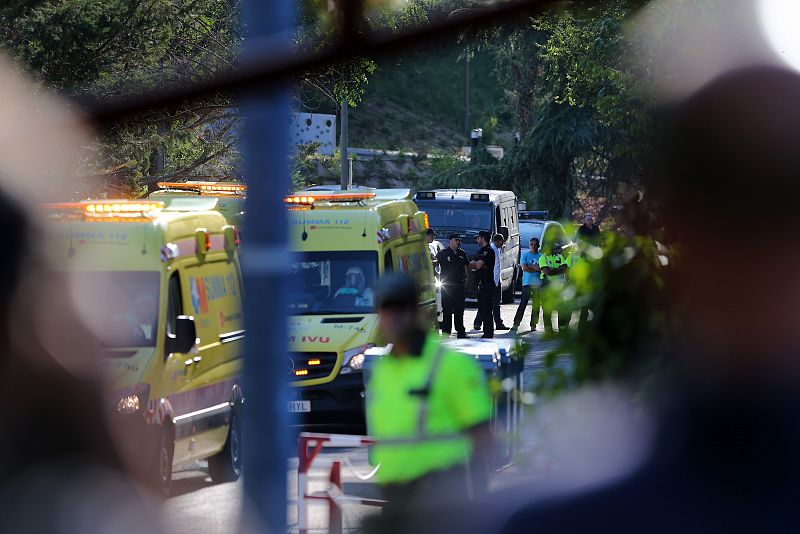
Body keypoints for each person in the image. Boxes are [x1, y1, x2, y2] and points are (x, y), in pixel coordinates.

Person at [365, 273, 493, 533]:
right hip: (395, 497)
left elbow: (482, 437)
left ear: (416, 311)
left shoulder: (452, 367)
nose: (394, 316)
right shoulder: (384, 372)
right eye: (387, 308)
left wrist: (480, 502)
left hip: (441, 497)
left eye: (401, 307)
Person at [474, 234, 510, 331]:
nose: (502, 244)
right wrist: (494, 281)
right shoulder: (491, 249)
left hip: (496, 280)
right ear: (498, 241)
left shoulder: (496, 249)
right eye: (501, 242)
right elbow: (492, 267)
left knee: (495, 303)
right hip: (492, 280)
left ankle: (497, 322)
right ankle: (480, 322)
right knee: (488, 303)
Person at [436, 233, 469, 338]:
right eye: (456, 240)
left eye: (459, 240)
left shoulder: (462, 253)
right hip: (447, 287)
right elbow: (435, 264)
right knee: (447, 310)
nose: (458, 242)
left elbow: (466, 267)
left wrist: (467, 279)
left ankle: (461, 332)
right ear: (450, 241)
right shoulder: (443, 253)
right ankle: (446, 332)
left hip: (459, 285)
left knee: (459, 310)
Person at [469, 230, 496, 338]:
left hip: (487, 284)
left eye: (478, 238)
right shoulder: (481, 251)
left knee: (487, 309)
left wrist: (475, 264)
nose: (477, 240)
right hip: (481, 284)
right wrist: (475, 264)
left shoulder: (488, 251)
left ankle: (488, 333)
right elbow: (471, 264)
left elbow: (478, 265)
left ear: (483, 238)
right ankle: (486, 332)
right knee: (482, 309)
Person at [512, 237, 542, 331]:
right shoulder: (525, 255)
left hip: (538, 283)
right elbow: (524, 268)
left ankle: (533, 325)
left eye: (535, 244)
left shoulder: (541, 256)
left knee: (536, 305)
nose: (533, 246)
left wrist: (531, 266)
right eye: (531, 244)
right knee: (523, 303)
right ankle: (516, 324)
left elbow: (543, 268)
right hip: (527, 283)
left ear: (538, 245)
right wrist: (535, 268)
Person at [538, 243, 570, 334]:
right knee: (547, 309)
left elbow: (565, 269)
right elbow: (547, 272)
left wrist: (553, 270)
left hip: (559, 286)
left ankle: (562, 329)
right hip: (546, 286)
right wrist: (558, 270)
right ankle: (548, 330)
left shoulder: (559, 257)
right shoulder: (542, 258)